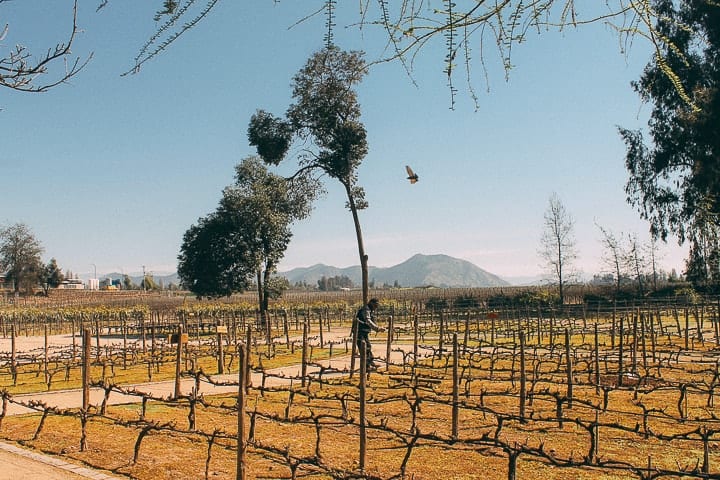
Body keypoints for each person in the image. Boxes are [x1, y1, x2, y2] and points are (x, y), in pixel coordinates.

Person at [355, 298, 384, 372]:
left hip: (364, 331)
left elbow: (371, 320)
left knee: (368, 347)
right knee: (364, 348)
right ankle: (366, 367)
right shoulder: (366, 310)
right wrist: (377, 328)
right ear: (371, 303)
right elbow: (368, 320)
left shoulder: (370, 310)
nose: (376, 307)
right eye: (375, 305)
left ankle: (370, 363)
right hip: (359, 331)